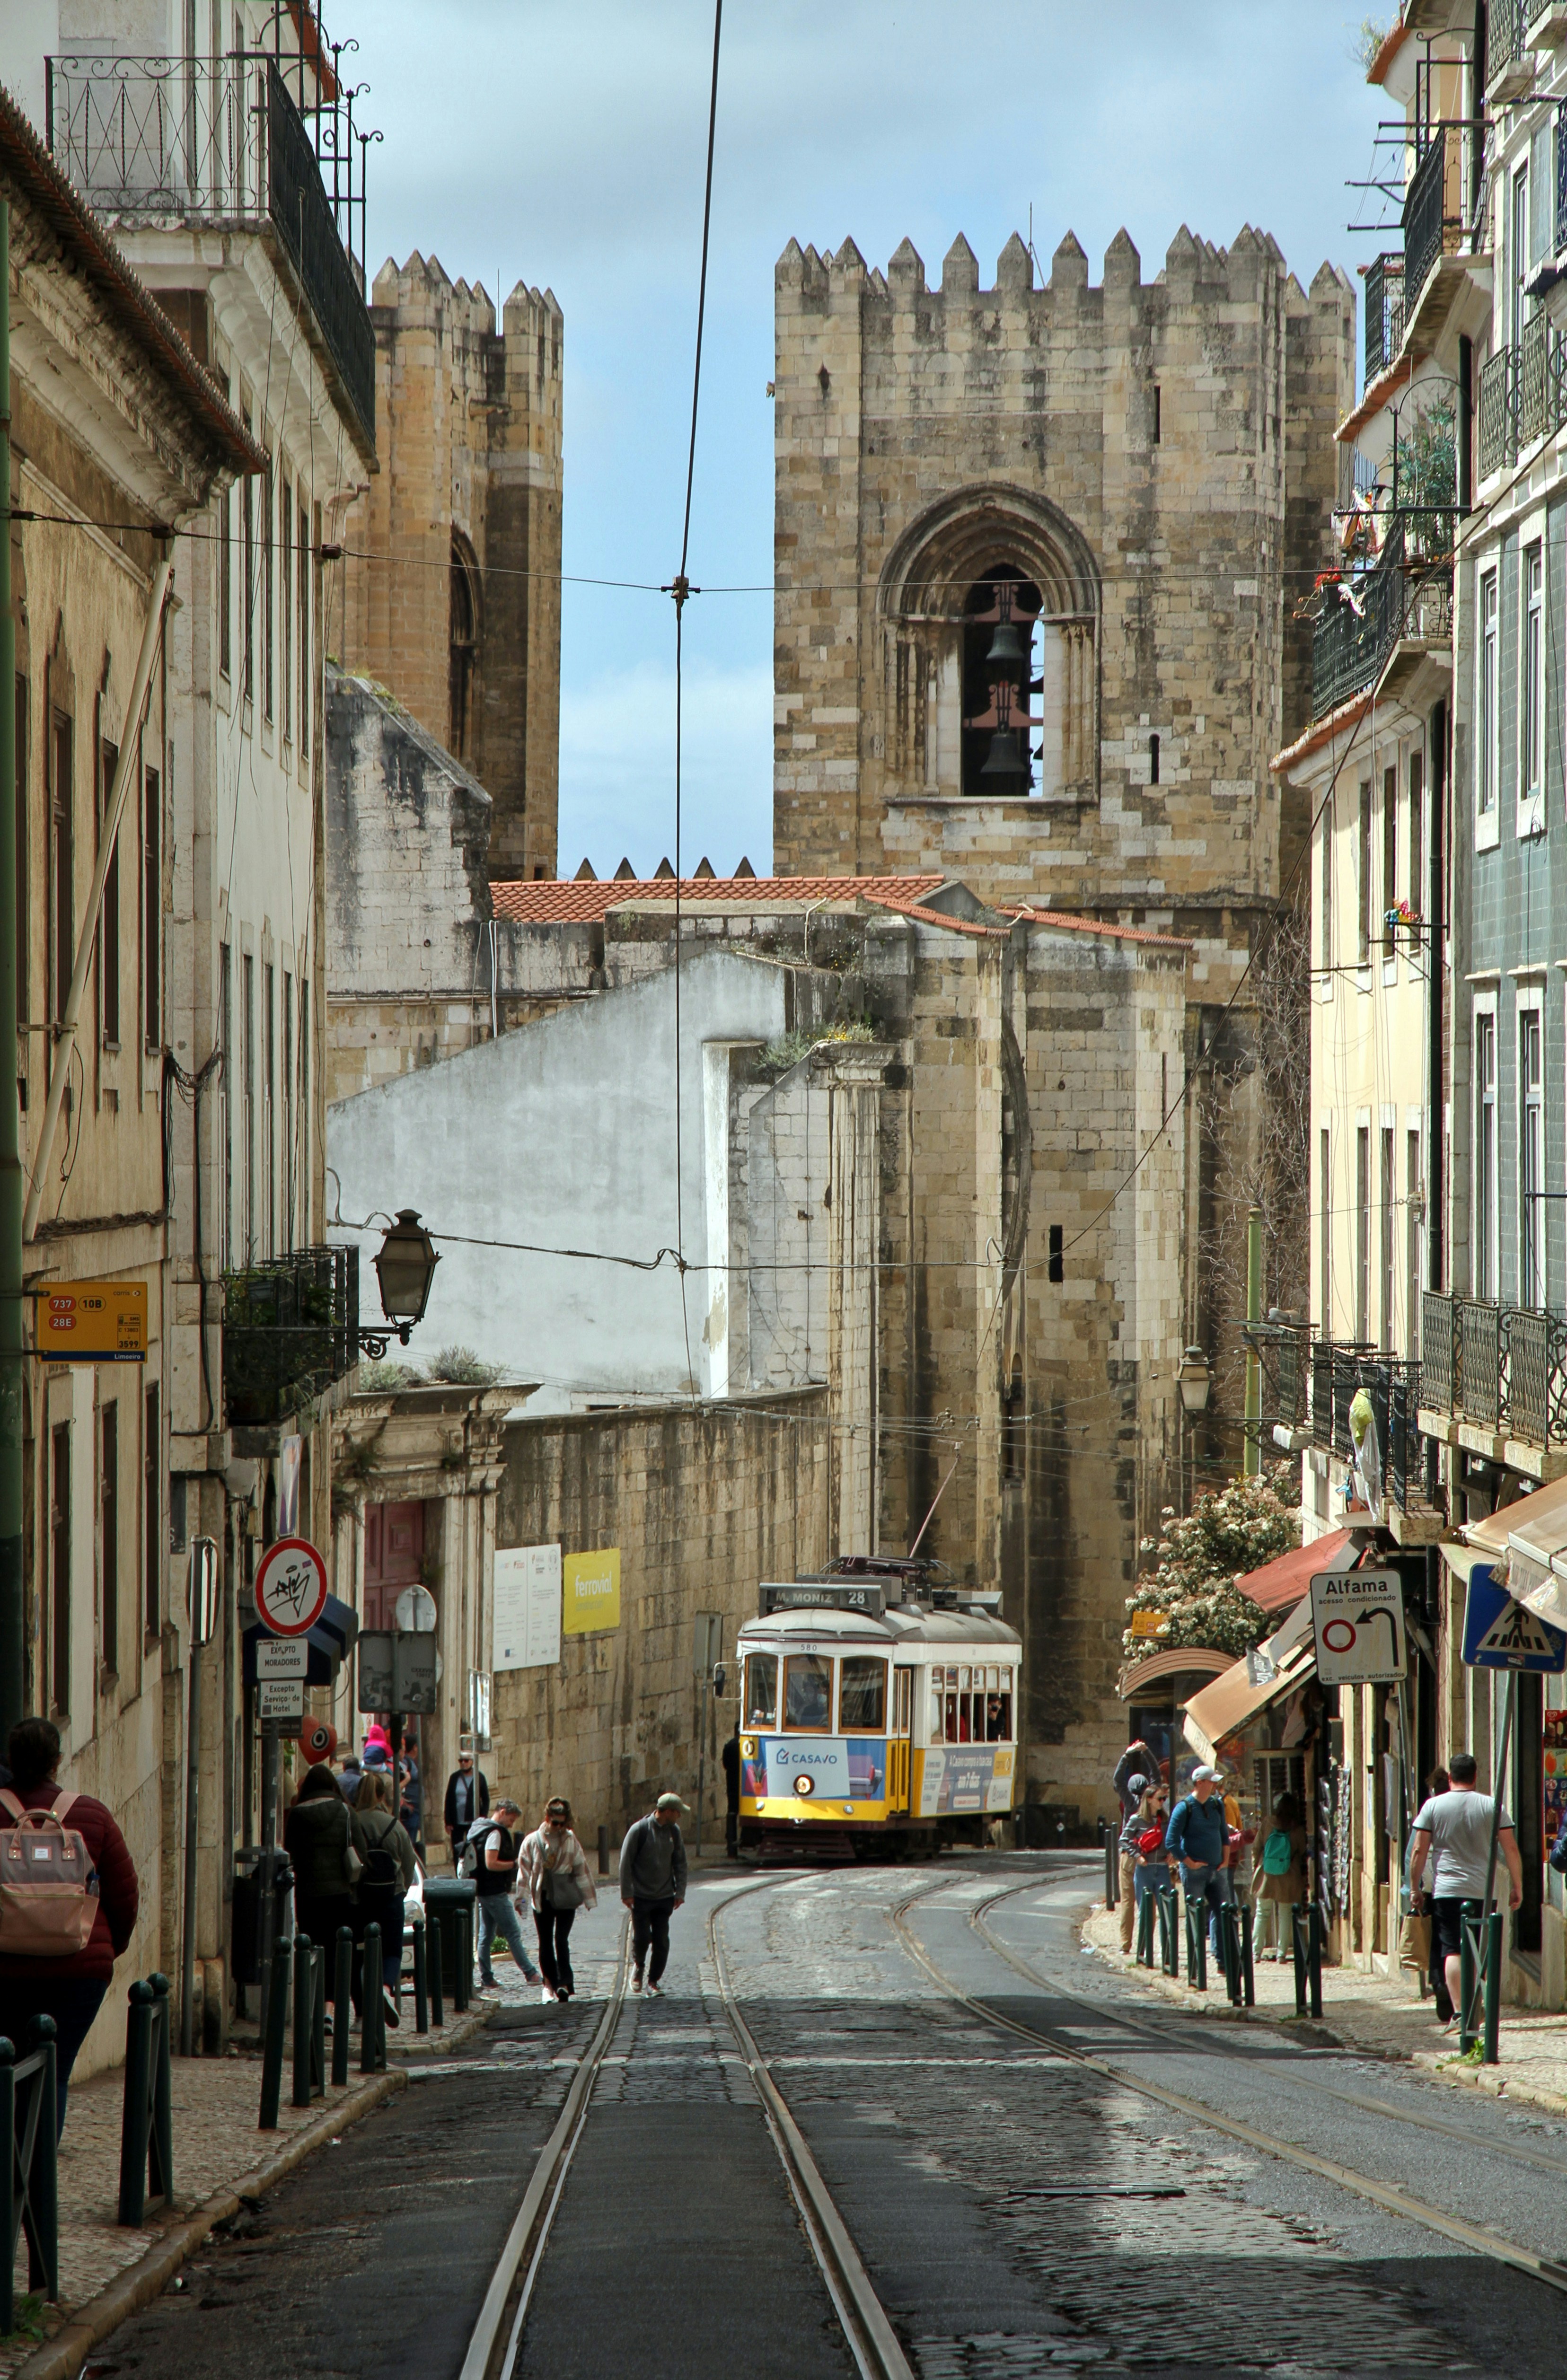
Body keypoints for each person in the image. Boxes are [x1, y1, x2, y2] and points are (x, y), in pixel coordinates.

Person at [0, 1718, 139, 2137]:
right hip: (78, 1972)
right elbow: (125, 1895)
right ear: (57, 1761)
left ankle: (11, 2178)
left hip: (6, 1970)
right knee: (55, 2070)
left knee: (8, 2065)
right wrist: (106, 1949)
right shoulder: (92, 1815)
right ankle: (38, 2182)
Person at [1409, 1752, 1523, 2029]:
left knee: (1452, 1950)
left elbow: (1418, 1850)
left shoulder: (1432, 1807)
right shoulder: (1493, 1805)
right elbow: (1510, 1848)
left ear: (1450, 1778)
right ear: (1475, 1776)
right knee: (1478, 1949)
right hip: (1482, 1891)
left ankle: (1462, 2012)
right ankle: (1475, 2004)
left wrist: (1415, 1888)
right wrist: (1517, 1886)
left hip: (1447, 1890)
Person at [352, 1770, 417, 2028]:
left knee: (356, 1954)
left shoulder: (354, 1822)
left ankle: (360, 2014)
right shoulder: (394, 1825)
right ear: (382, 1796)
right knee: (392, 1950)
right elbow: (409, 1861)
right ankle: (387, 1988)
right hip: (391, 1896)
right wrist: (400, 1886)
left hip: (360, 1898)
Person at [519, 1797, 596, 2002]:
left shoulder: (570, 1839)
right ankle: (549, 1983)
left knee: (561, 1940)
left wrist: (589, 1899)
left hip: (565, 1898)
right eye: (556, 1823)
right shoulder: (532, 1841)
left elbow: (581, 1868)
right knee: (545, 1942)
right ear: (547, 1818)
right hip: (542, 1898)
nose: (559, 1827)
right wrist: (522, 1902)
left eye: (563, 1823)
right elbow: (523, 1876)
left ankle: (564, 1983)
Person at [285, 1760, 358, 1966]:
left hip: (309, 1893)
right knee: (338, 1947)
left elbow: (290, 1852)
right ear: (333, 1785)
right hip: (340, 1893)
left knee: (312, 1945)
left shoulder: (297, 1814)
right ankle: (331, 1997)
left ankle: (316, 1993)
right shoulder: (345, 1812)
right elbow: (360, 1849)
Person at [618, 1792, 688, 1997]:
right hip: (641, 1897)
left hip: (664, 1897)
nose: (680, 1816)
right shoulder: (639, 1830)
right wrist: (626, 1893)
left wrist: (680, 1892)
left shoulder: (674, 1832)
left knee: (662, 1941)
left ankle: (654, 1981)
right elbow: (625, 1863)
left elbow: (680, 1863)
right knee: (642, 1938)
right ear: (667, 1811)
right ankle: (639, 1965)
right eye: (678, 1812)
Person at [470, 1798, 542, 1990]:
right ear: (502, 1812)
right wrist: (514, 1864)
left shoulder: (479, 1827)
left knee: (486, 1936)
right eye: (511, 1819)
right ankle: (531, 1973)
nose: (512, 1825)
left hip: (483, 1890)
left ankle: (487, 1977)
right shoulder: (494, 1833)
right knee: (512, 1932)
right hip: (494, 1891)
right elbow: (491, 1863)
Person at [1164, 1764, 1231, 1944]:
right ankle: (1197, 1965)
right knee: (1196, 1916)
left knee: (1224, 1913)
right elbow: (1171, 1841)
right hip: (1195, 1872)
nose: (1215, 1786)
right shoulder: (1184, 1808)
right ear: (1200, 1783)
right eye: (1212, 1782)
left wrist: (1225, 1860)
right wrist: (1190, 1863)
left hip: (1218, 1869)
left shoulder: (1217, 1805)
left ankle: (1223, 1961)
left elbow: (1224, 1835)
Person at [1253, 1792, 1306, 1958]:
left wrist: (1258, 1867)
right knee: (1285, 1913)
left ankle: (1255, 1953)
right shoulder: (1296, 1830)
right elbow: (1303, 1851)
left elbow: (1256, 1847)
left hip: (1267, 1874)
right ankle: (1282, 1954)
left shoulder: (1268, 1823)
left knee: (1262, 1912)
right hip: (1289, 1875)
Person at [1116, 1772, 1149, 1952]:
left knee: (1127, 1902)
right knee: (1147, 1902)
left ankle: (1125, 1944)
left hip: (1129, 1856)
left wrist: (1127, 1755)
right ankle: (1145, 1946)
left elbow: (1117, 1780)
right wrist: (1147, 1755)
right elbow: (1156, 1775)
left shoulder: (1129, 1803)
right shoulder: (1150, 1806)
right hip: (1146, 1857)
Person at [444, 1748, 489, 1870]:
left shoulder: (479, 1777)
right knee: (457, 1848)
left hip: (473, 1821)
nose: (463, 1763)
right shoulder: (454, 1778)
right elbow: (449, 1800)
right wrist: (448, 1821)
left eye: (466, 1761)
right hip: (457, 1821)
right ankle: (458, 1870)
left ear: (472, 1762)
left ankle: (473, 1870)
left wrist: (483, 1817)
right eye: (461, 1761)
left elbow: (486, 1799)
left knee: (474, 1847)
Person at [1113, 1736, 1161, 1816]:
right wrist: (1146, 1750)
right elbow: (1155, 1771)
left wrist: (1126, 1755)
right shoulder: (1152, 1799)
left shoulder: (1131, 1802)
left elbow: (1118, 1781)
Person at [399, 1744, 424, 1856]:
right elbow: (401, 1786)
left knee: (412, 1840)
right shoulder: (406, 1763)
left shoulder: (411, 1762)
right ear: (415, 1747)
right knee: (409, 1842)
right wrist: (405, 1802)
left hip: (415, 1809)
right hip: (409, 1809)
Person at [721, 1727, 740, 1859]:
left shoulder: (730, 1745)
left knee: (732, 1810)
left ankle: (731, 1842)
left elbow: (726, 1764)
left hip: (732, 1782)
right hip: (747, 1783)